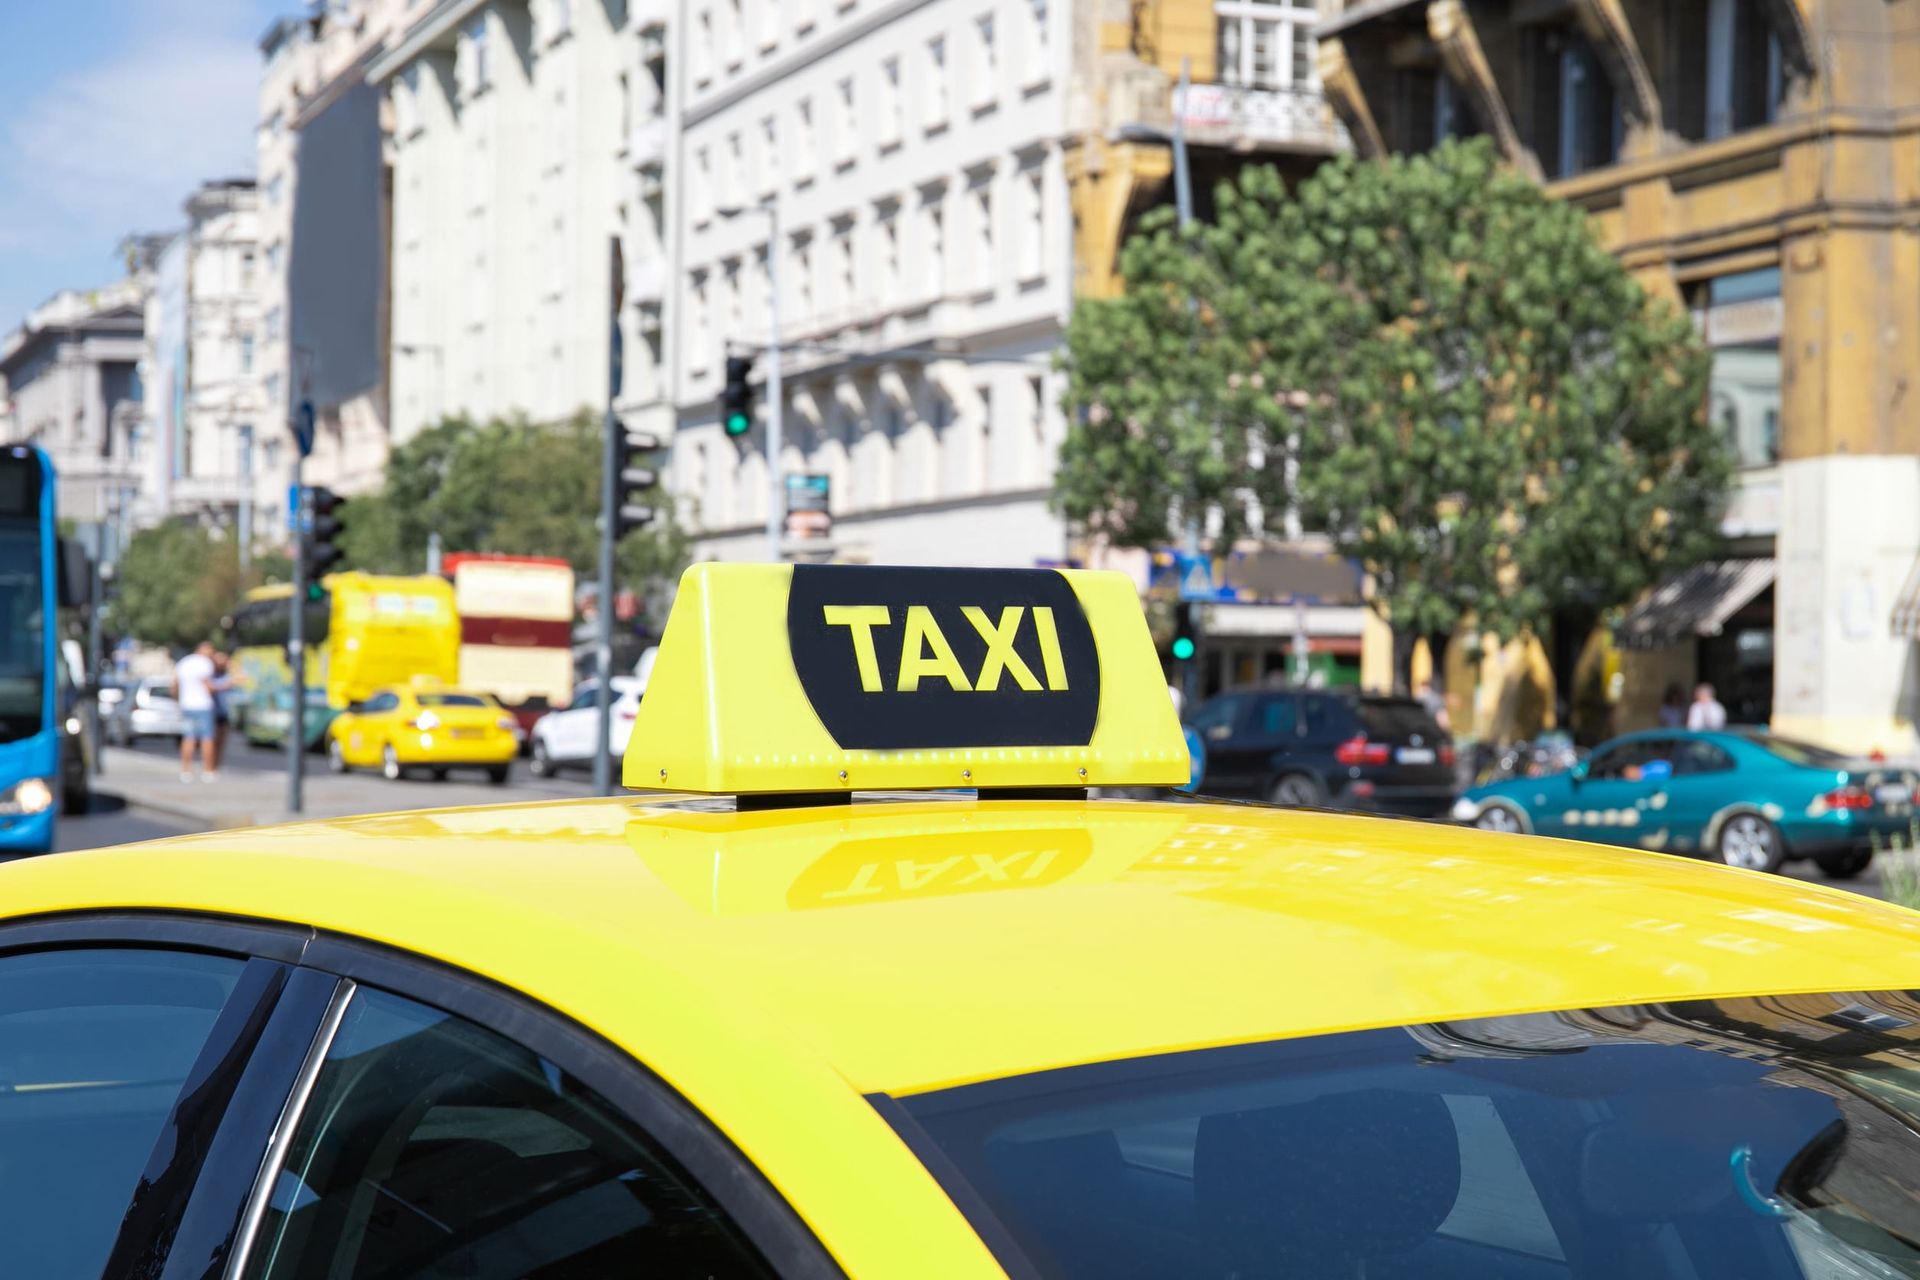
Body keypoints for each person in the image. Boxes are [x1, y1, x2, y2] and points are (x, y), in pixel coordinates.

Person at [173, 642, 219, 782]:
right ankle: (208, 771)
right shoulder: (205, 663)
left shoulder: (183, 662)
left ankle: (186, 771)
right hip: (203, 705)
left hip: (187, 705)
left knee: (189, 738)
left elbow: (174, 685)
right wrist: (226, 685)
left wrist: (179, 700)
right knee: (207, 738)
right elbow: (208, 686)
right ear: (203, 650)